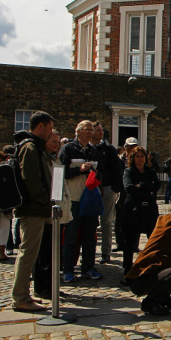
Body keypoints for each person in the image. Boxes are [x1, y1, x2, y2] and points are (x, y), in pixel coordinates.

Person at [11, 111, 55, 313]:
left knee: (29, 252)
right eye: (49, 128)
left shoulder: (34, 147)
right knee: (28, 253)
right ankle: (21, 297)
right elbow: (31, 180)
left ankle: (23, 296)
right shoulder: (30, 147)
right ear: (41, 126)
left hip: (36, 208)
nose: (51, 132)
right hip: (33, 209)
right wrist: (45, 201)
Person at [59, 120, 102, 283]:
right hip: (74, 199)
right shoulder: (68, 149)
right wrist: (79, 170)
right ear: (78, 131)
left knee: (90, 237)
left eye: (92, 129)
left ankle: (88, 268)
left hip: (90, 198)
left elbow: (101, 173)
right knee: (71, 236)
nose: (90, 132)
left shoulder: (93, 151)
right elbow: (61, 173)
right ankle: (68, 270)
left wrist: (96, 175)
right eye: (87, 129)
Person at [34, 130, 72, 299]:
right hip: (47, 211)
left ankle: (52, 284)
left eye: (58, 142)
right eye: (53, 142)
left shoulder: (54, 158)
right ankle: (41, 286)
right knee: (44, 252)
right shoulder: (42, 158)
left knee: (54, 251)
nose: (57, 145)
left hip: (58, 209)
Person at [122, 146, 161, 276]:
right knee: (130, 241)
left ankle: (153, 267)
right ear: (133, 158)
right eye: (137, 156)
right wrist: (146, 189)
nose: (140, 159)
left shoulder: (151, 171)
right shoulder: (129, 172)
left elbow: (157, 185)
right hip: (133, 209)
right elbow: (129, 188)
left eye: (142, 156)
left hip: (149, 209)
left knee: (153, 239)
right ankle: (127, 269)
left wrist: (142, 185)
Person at [92, 121, 123, 264]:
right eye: (97, 130)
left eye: (101, 130)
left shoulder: (109, 149)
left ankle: (105, 252)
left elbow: (117, 168)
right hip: (91, 188)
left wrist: (116, 188)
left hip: (108, 187)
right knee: (90, 222)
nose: (101, 132)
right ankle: (89, 253)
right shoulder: (87, 149)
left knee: (106, 222)